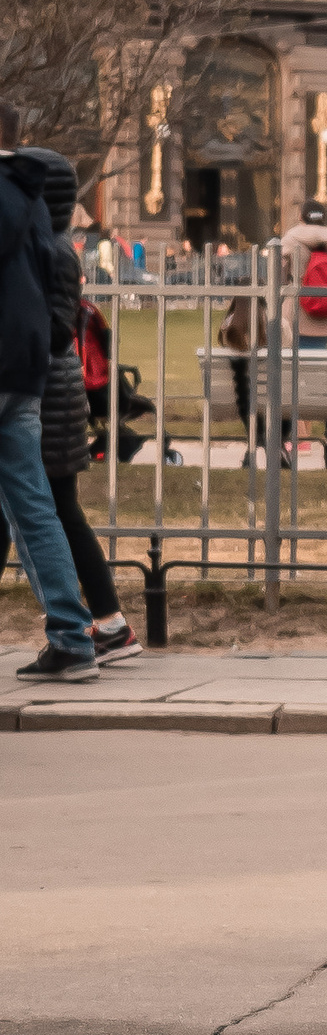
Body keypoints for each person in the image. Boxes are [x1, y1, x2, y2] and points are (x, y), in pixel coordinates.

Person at [0, 148, 134, 659]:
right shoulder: (43, 234)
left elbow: (57, 327)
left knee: (49, 509)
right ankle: (89, 626)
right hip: (42, 384)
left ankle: (102, 623)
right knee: (41, 509)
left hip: (46, 386)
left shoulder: (47, 245)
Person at [0, 123, 98, 680]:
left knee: (33, 504)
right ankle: (71, 636)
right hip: (24, 366)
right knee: (35, 505)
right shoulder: (31, 197)